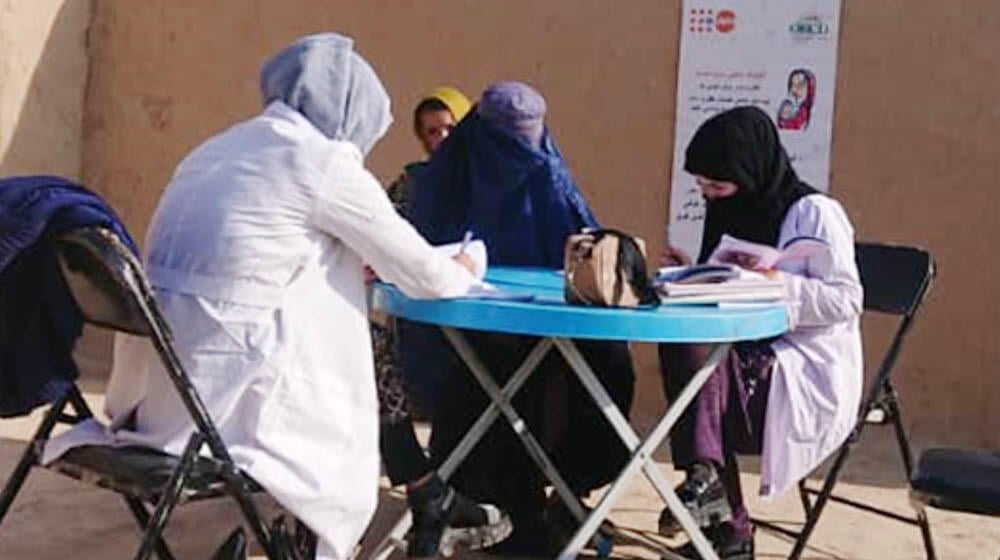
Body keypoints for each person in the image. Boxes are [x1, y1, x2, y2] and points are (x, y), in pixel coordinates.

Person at [43, 33, 487, 560]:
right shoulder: (321, 162)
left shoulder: (214, 150)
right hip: (225, 404)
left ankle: (285, 538)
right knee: (341, 416)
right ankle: (299, 543)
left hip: (158, 394)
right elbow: (427, 277)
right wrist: (467, 263)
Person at [402, 81, 636, 556]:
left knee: (602, 365)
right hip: (460, 334)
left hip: (545, 333)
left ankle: (566, 501)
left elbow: (581, 247)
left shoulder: (548, 176)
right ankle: (487, 506)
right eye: (508, 140)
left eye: (527, 139)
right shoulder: (442, 184)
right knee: (485, 375)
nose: (520, 153)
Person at [658, 106, 863, 559]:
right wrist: (694, 274)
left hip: (799, 369)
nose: (711, 197)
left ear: (750, 173)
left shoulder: (815, 213)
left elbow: (846, 300)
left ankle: (715, 499)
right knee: (684, 335)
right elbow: (728, 289)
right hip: (736, 365)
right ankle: (720, 510)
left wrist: (777, 284)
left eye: (718, 186)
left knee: (696, 351)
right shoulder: (730, 211)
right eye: (703, 188)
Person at [370, 86, 512, 558]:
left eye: (450, 127)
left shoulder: (492, 180)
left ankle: (450, 499)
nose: (441, 139)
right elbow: (384, 234)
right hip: (420, 309)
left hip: (484, 314)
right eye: (431, 131)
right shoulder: (411, 183)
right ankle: (432, 497)